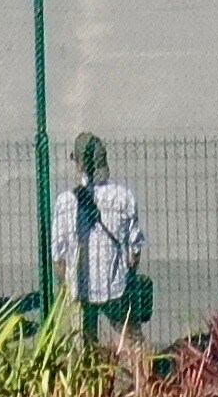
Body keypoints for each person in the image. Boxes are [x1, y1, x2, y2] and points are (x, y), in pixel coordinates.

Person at [63, 131, 150, 351]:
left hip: (81, 287)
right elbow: (135, 246)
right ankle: (141, 376)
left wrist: (68, 285)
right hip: (116, 284)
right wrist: (129, 271)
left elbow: (58, 253)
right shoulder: (123, 196)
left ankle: (90, 378)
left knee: (84, 344)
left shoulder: (67, 201)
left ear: (78, 163)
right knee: (132, 341)